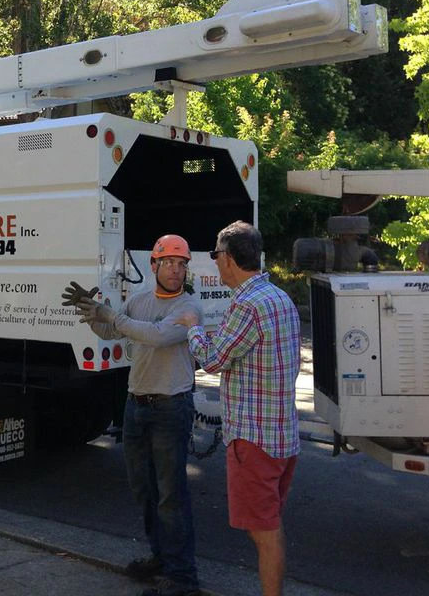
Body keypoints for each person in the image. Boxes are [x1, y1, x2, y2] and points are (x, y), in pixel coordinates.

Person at [63, 235, 202, 596]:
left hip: (172, 407)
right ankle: (161, 558)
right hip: (136, 405)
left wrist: (114, 316)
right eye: (169, 262)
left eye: (182, 263)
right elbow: (112, 330)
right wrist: (93, 313)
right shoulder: (139, 301)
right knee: (144, 488)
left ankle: (183, 577)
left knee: (171, 494)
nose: (176, 269)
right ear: (154, 266)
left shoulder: (188, 308)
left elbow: (156, 336)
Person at [175, 221, 300, 596]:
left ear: (228, 258)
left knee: (263, 530)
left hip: (254, 439)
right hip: (282, 436)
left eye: (215, 255)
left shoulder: (246, 305)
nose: (214, 263)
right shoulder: (279, 298)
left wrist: (192, 327)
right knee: (269, 524)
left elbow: (213, 360)